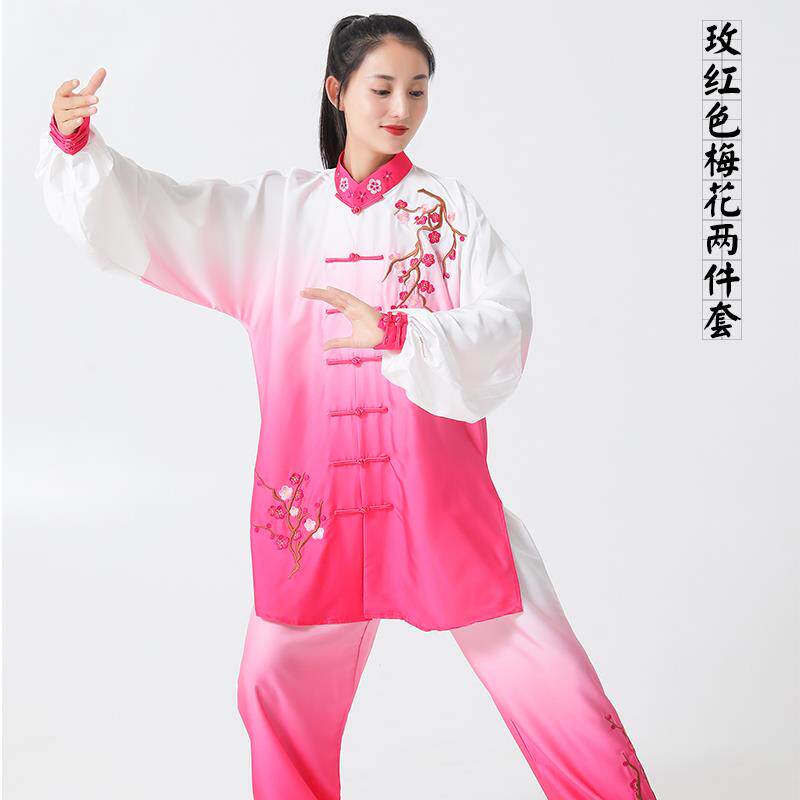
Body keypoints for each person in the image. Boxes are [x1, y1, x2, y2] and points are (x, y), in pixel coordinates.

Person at [34, 13, 658, 800]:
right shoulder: (275, 216)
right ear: (337, 91)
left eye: (418, 91)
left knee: (550, 675)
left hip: (436, 497)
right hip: (317, 505)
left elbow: (507, 322)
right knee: (272, 681)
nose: (401, 108)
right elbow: (164, 212)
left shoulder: (447, 211)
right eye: (382, 88)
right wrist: (77, 146)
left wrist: (401, 331)